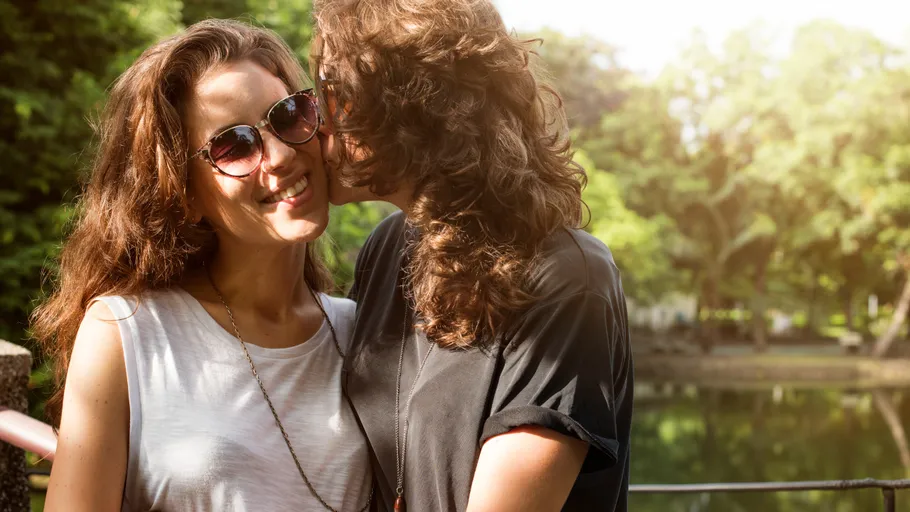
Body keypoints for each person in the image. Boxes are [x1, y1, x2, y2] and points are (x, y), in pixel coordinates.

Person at [32, 19, 372, 512]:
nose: (277, 155)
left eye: (289, 114)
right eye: (233, 145)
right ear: (184, 193)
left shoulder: (366, 332)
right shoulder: (128, 333)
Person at [311, 0, 634, 510]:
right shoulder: (388, 249)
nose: (315, 121)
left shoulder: (567, 279)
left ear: (410, 108)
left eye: (333, 95)